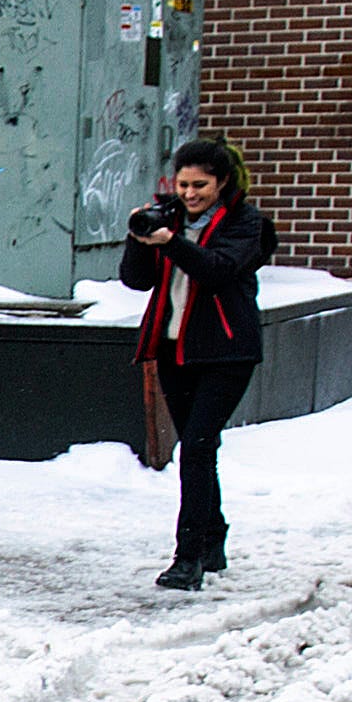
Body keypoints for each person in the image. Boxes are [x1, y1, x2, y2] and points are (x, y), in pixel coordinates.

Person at [121, 138, 276, 592]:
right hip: (174, 350)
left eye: (201, 186)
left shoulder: (247, 224)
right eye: (183, 184)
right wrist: (139, 237)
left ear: (222, 182)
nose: (190, 194)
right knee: (198, 448)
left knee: (196, 446)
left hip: (227, 352)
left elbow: (216, 269)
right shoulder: (167, 219)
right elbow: (136, 280)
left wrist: (171, 242)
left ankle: (187, 558)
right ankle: (213, 537)